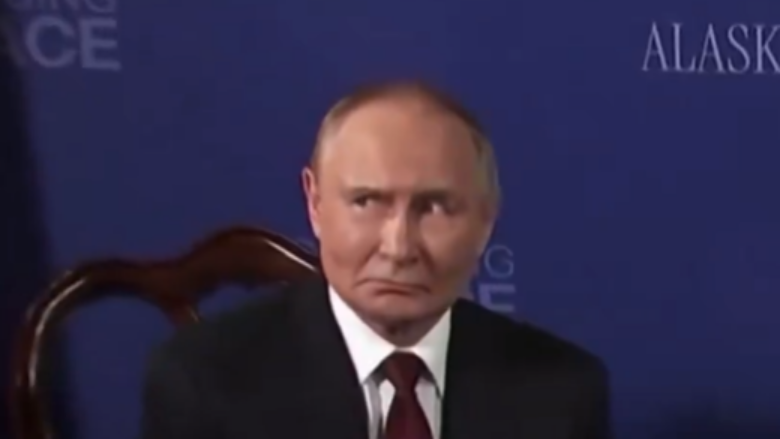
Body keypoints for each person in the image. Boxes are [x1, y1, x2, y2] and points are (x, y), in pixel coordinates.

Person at [140, 80, 612, 439]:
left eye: (435, 207)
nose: (399, 247)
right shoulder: (202, 384)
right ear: (315, 204)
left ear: (486, 218)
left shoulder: (563, 394)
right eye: (366, 202)